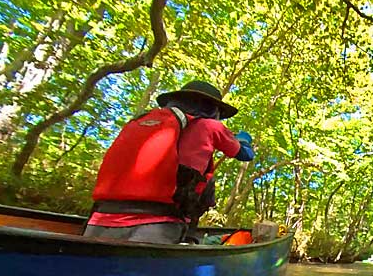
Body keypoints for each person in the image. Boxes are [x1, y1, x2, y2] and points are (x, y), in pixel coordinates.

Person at [83, 80, 254, 244]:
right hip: (157, 225)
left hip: (99, 218)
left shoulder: (143, 120)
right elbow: (245, 154)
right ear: (213, 109)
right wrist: (243, 140)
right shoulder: (211, 126)